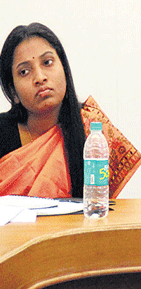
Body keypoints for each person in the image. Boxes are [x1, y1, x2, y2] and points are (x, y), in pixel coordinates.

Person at [0, 23, 86, 198]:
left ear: (64, 68)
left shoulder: (91, 126)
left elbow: (104, 206)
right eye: (24, 72)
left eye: (47, 62)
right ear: (12, 91)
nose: (40, 77)